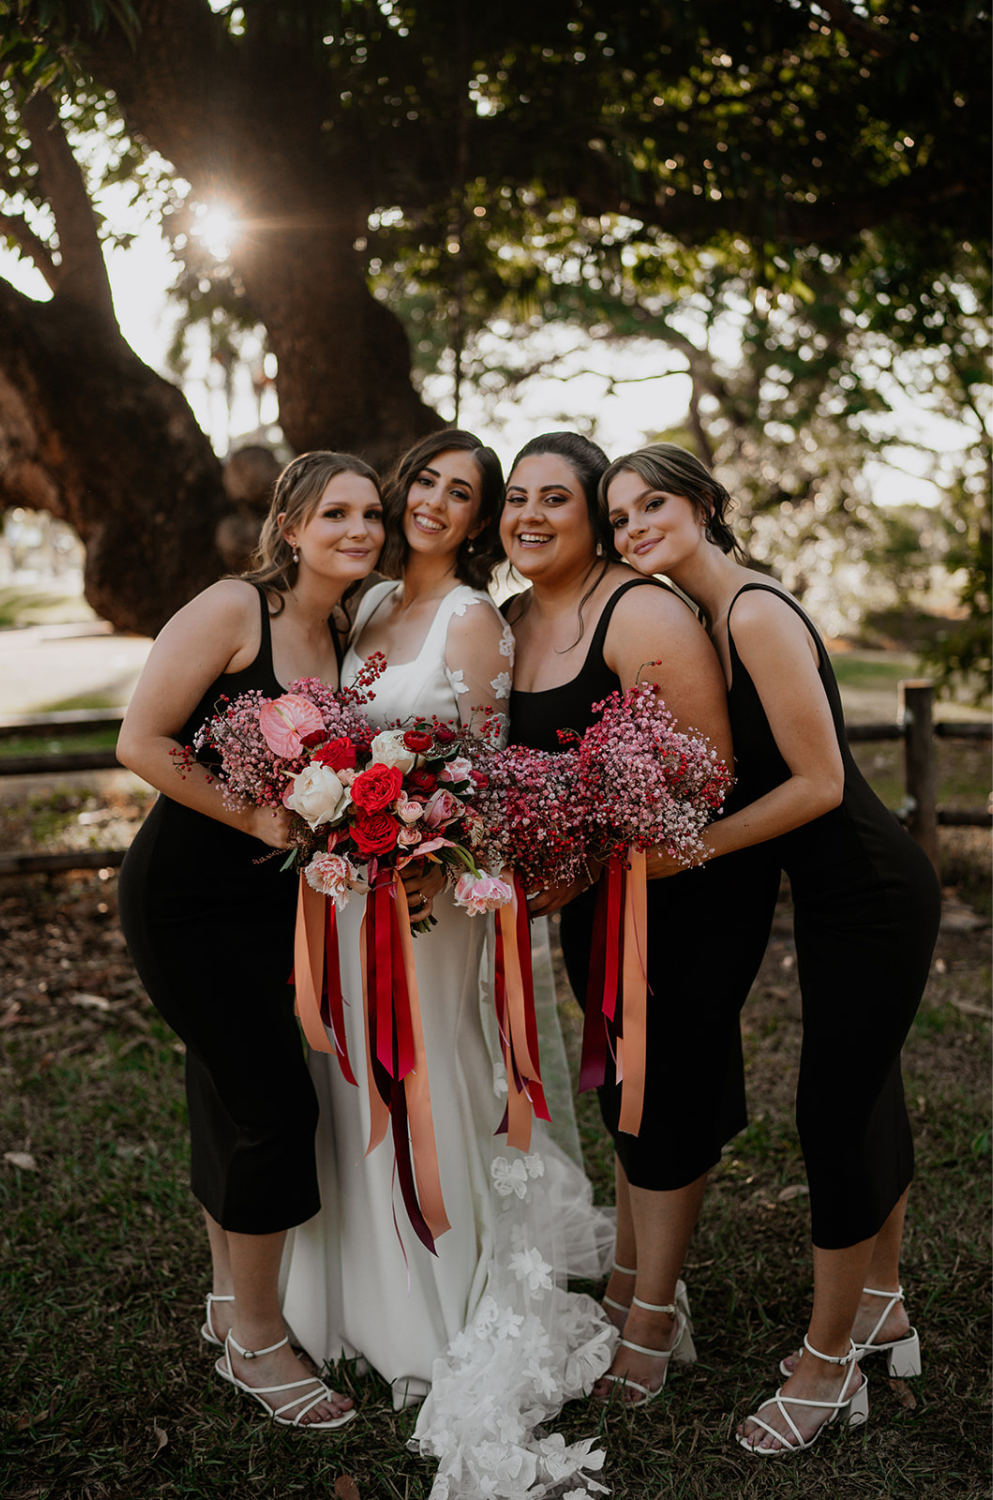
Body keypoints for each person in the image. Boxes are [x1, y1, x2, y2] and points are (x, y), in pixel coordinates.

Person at [281, 430, 616, 1498]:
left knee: (425, 1083)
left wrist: (433, 846)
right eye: (423, 481)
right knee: (347, 1081)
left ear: (477, 522)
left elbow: (490, 779)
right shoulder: (366, 604)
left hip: (430, 900)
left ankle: (433, 1305)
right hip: (344, 892)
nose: (433, 501)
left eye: (458, 493)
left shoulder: (473, 622)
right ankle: (349, 1303)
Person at [601, 441, 941, 1455]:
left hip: (872, 889)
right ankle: (881, 1304)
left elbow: (820, 784)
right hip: (832, 897)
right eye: (617, 518)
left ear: (704, 503)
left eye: (651, 503)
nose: (632, 528)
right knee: (865, 1091)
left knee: (831, 1116)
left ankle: (826, 1366)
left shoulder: (749, 609)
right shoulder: (705, 614)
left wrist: (688, 852)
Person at [500, 432, 781, 1409]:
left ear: (593, 523)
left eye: (557, 500)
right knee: (626, 1086)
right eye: (516, 497)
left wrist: (588, 858)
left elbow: (707, 773)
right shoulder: (508, 620)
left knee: (663, 1095)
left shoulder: (640, 607)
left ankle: (654, 1324)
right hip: (595, 894)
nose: (530, 515)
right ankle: (626, 1286)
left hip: (686, 888)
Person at [117, 450, 388, 1430]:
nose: (358, 530)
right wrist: (259, 823)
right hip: (186, 896)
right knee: (273, 1104)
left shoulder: (343, 628)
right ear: (290, 526)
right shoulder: (236, 609)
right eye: (336, 513)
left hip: (273, 905)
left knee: (227, 1092)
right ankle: (260, 1348)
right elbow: (139, 741)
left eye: (370, 514)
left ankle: (232, 1309)